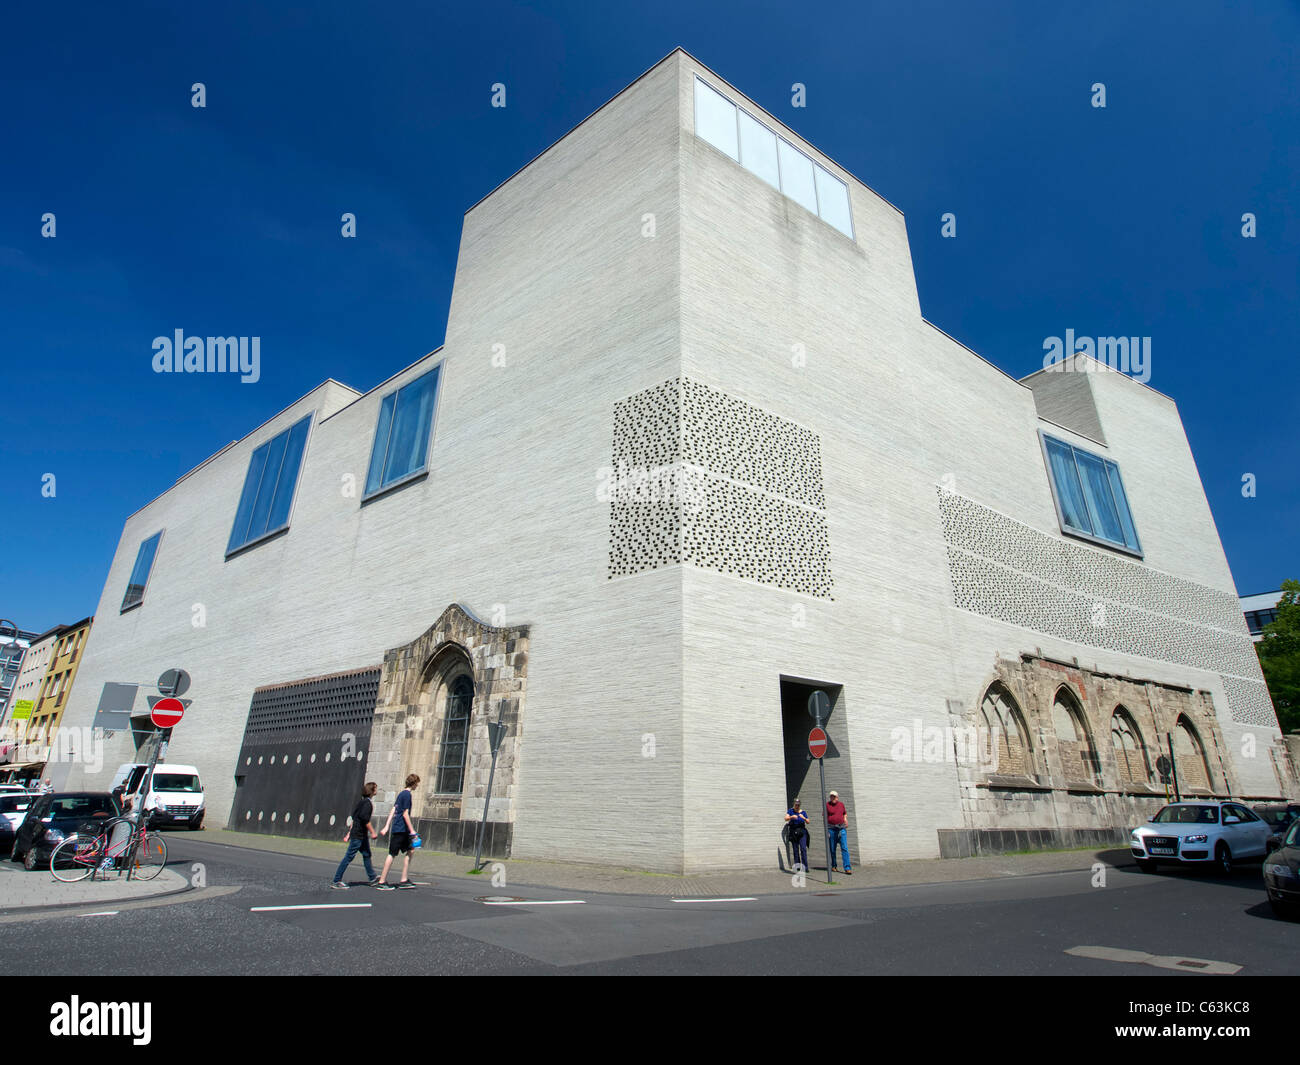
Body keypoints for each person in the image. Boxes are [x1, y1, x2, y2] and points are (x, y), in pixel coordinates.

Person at [376, 774, 421, 890]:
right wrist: (412, 830)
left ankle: (404, 879)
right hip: (401, 829)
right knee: (392, 854)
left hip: (400, 829)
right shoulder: (407, 795)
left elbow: (394, 809)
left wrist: (386, 826)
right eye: (417, 783)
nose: (417, 785)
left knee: (411, 850)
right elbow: (405, 814)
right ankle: (382, 881)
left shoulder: (401, 794)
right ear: (414, 783)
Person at [332, 782, 380, 889]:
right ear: (371, 791)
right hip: (358, 835)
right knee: (349, 856)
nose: (377, 790)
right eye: (376, 788)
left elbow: (355, 817)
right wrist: (373, 832)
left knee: (367, 854)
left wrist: (349, 832)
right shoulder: (367, 804)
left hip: (360, 834)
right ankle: (336, 880)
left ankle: (372, 878)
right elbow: (364, 819)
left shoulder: (362, 802)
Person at [826, 790, 852, 875]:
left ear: (837, 797)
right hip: (831, 829)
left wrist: (845, 819)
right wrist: (827, 831)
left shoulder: (841, 804)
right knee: (832, 849)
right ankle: (834, 865)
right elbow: (825, 818)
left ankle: (847, 868)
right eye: (831, 796)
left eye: (834, 796)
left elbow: (844, 813)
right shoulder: (827, 805)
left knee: (844, 848)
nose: (832, 798)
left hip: (841, 828)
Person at [785, 799, 810, 872]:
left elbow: (808, 821)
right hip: (794, 832)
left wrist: (804, 818)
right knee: (795, 850)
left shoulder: (803, 812)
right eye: (796, 804)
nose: (797, 806)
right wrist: (791, 817)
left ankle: (805, 867)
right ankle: (798, 866)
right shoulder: (790, 811)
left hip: (802, 832)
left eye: (798, 805)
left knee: (803, 849)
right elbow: (785, 818)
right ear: (794, 804)